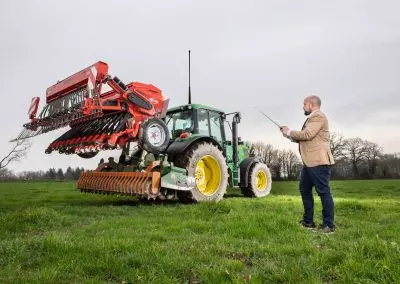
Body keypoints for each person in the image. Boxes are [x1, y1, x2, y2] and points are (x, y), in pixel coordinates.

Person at [280, 95, 335, 233]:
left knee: (323, 192)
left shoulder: (318, 117)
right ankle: (308, 222)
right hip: (309, 163)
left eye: (304, 104)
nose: (303, 107)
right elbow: (306, 138)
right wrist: (288, 135)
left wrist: (290, 132)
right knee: (304, 190)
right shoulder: (312, 119)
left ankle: (329, 225)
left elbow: (307, 135)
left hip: (319, 162)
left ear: (311, 104)